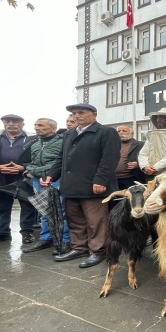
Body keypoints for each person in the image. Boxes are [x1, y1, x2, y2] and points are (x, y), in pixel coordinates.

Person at [42, 103, 120, 268]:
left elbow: (110, 158)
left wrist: (100, 180)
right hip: (71, 186)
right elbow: (61, 159)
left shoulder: (106, 132)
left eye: (81, 112)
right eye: (75, 113)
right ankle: (79, 248)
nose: (77, 115)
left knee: (96, 221)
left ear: (94, 114)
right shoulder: (69, 134)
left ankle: (98, 250)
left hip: (93, 187)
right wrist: (50, 174)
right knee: (74, 220)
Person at [0, 114, 38, 246]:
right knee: (1, 207)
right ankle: (2, 233)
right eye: (8, 121)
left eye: (16, 121)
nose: (11, 123)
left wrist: (24, 167)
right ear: (3, 123)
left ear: (23, 124)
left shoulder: (33, 138)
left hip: (24, 177)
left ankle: (27, 232)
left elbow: (39, 157)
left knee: (27, 205)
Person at [22, 118, 71, 254]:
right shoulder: (34, 144)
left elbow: (59, 163)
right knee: (43, 210)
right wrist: (28, 172)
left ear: (53, 128)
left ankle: (65, 240)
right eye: (35, 125)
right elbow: (32, 162)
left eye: (41, 125)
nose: (37, 128)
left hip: (55, 179)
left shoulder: (63, 142)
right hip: (38, 180)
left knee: (60, 211)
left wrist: (36, 171)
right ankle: (46, 238)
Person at [115, 125, 145, 190]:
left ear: (132, 134)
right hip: (114, 179)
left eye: (124, 131)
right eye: (118, 131)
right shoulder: (113, 145)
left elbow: (149, 159)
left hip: (131, 178)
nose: (121, 133)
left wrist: (138, 164)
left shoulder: (141, 145)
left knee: (130, 199)